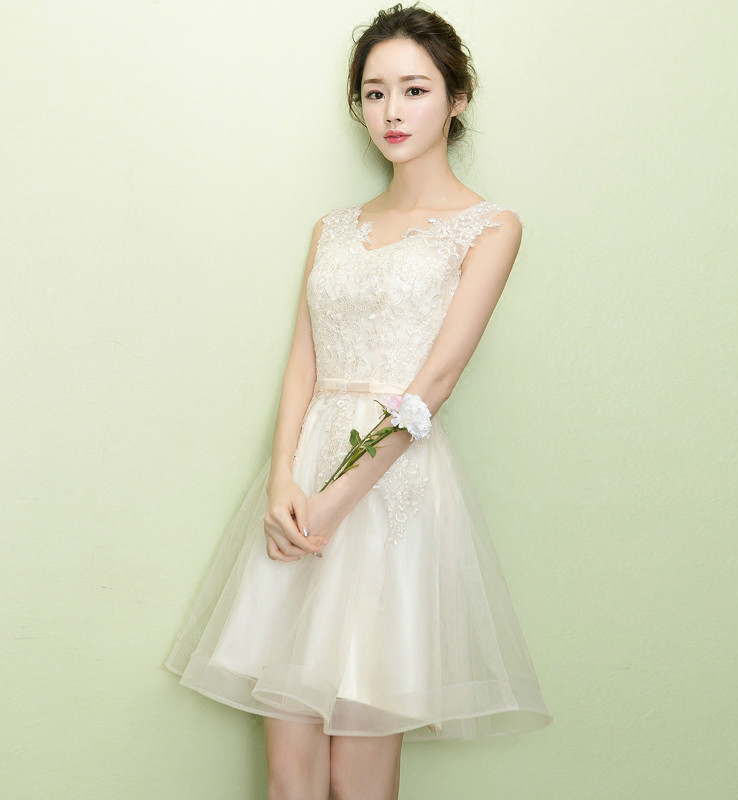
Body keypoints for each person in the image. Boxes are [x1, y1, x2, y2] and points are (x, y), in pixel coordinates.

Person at [164, 3, 553, 798]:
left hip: (389, 494)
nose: (392, 111)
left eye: (414, 89)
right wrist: (285, 481)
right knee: (291, 775)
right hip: (305, 484)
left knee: (361, 773)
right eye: (374, 93)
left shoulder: (490, 228)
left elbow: (435, 383)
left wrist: (338, 501)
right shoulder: (334, 228)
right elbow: (302, 363)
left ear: (457, 98)